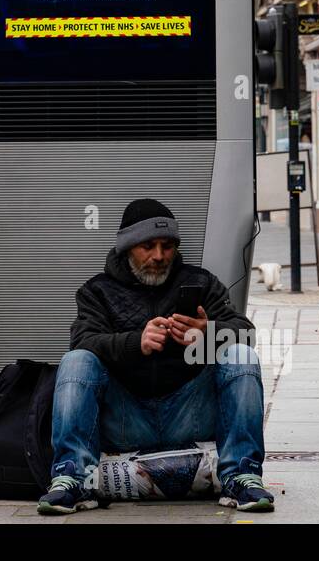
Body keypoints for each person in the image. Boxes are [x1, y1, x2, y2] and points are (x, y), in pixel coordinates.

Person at [38, 199, 274, 515]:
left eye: (167, 246)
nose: (159, 256)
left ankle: (242, 477)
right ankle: (72, 479)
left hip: (189, 414)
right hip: (127, 419)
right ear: (127, 248)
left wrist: (209, 333)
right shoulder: (97, 291)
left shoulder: (200, 283)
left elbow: (246, 332)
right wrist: (138, 342)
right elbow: (84, 340)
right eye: (147, 246)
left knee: (241, 354)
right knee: (76, 361)